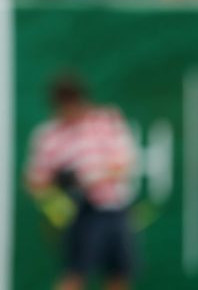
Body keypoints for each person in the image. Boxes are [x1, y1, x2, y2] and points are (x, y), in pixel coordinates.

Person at [26, 74, 137, 290]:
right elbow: (35, 182)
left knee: (120, 274)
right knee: (75, 274)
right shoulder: (49, 136)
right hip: (82, 214)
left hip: (117, 210)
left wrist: (86, 178)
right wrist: (59, 188)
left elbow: (123, 164)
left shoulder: (107, 121)